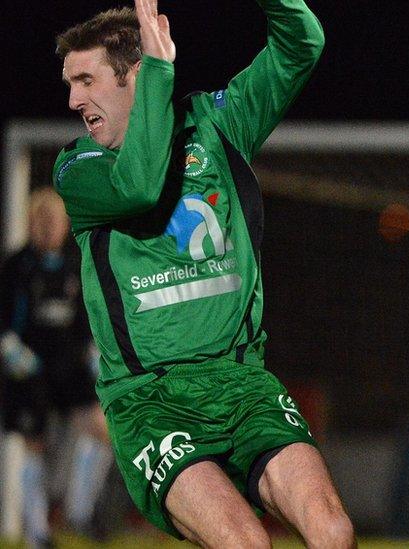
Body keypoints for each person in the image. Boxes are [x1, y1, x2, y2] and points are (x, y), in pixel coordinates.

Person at [52, 0, 355, 546]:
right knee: (245, 541)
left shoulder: (218, 123)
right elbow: (139, 185)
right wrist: (160, 76)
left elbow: (300, 45)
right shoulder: (78, 167)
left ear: (132, 74)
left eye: (86, 80)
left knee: (332, 528)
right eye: (71, 84)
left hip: (240, 381)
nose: (75, 100)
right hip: (150, 398)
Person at [0, 187, 114, 548]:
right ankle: (37, 534)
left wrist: (94, 352)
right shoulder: (17, 267)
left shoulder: (73, 265)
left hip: (68, 369)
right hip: (30, 372)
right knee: (34, 445)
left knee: (102, 429)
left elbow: (85, 320)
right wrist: (11, 350)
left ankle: (78, 512)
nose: (50, 228)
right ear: (31, 223)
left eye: (56, 220)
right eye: (42, 220)